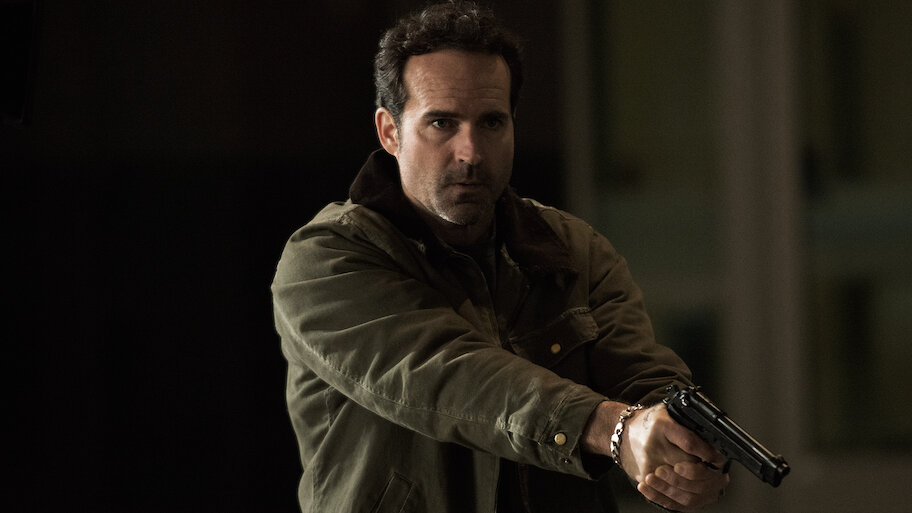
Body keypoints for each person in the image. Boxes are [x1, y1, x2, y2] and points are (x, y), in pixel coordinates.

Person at [272, 1, 730, 511]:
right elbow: (448, 372)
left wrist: (686, 449)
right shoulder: (325, 260)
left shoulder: (574, 251)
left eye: (491, 122)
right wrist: (618, 429)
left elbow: (643, 377)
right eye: (441, 123)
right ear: (390, 132)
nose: (470, 152)